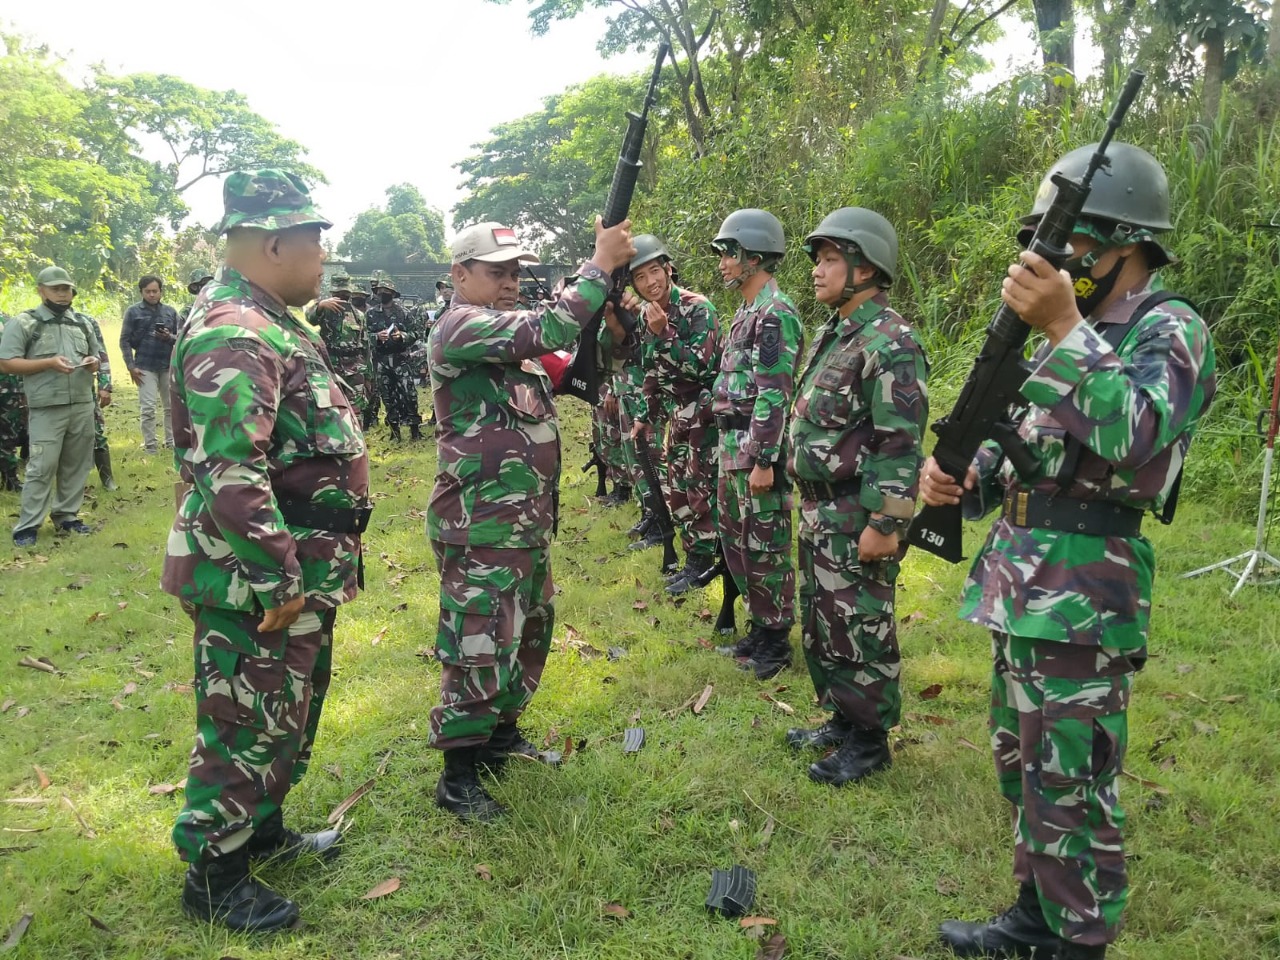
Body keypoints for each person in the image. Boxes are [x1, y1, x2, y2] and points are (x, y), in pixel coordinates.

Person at [921, 144, 1216, 960]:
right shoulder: (1065, 328)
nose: (1058, 259)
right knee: (1024, 767)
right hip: (1020, 581)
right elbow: (1028, 441)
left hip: (1087, 593)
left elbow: (1138, 440)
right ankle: (1035, 914)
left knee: (1074, 780)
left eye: (1075, 242)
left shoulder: (1169, 327)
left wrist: (1063, 327)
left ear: (1125, 241)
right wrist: (958, 476)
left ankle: (1078, 939)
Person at [162, 169, 371, 932]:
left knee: (285, 712)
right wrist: (277, 574)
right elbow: (230, 469)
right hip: (256, 577)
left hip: (297, 567)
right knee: (245, 718)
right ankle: (215, 875)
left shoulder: (273, 320)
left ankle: (262, 829)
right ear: (276, 241)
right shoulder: (236, 329)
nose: (323, 257)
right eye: (317, 241)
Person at [427, 218, 634, 822]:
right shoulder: (460, 326)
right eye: (497, 271)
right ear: (460, 275)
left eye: (517, 271)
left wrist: (613, 305)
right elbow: (550, 324)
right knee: (480, 636)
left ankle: (498, 735)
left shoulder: (516, 341)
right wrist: (596, 266)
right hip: (480, 520)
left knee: (531, 626)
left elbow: (583, 366)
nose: (511, 281)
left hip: (524, 522)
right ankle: (458, 774)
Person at [783, 208, 928, 786]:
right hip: (820, 507)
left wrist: (886, 524)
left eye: (830, 259)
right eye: (818, 260)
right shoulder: (835, 334)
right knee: (824, 621)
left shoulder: (890, 342)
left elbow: (900, 441)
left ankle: (870, 741)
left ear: (865, 266)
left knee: (862, 623)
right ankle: (843, 717)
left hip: (855, 511)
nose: (818, 271)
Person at [708, 209, 804, 679]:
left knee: (766, 545)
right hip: (733, 446)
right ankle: (759, 626)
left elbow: (774, 392)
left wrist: (764, 458)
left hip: (756, 449)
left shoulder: (774, 314)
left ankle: (774, 640)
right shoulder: (745, 312)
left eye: (730, 253)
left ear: (756, 257)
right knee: (738, 541)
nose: (723, 262)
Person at [627, 235, 723, 594]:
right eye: (640, 277)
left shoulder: (699, 308)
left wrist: (663, 331)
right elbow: (649, 369)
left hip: (702, 412)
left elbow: (702, 365)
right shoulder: (644, 314)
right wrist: (643, 415)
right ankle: (693, 557)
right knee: (678, 487)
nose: (650, 282)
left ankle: (702, 561)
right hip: (673, 414)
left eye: (655, 271)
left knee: (700, 486)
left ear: (668, 269)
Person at [0, 266, 107, 546]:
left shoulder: (83, 322)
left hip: (82, 404)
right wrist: (47, 363)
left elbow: (94, 355)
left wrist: (92, 362)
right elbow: (6, 361)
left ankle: (67, 517)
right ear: (41, 290)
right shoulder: (26, 323)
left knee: (76, 465)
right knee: (41, 466)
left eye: (66, 289)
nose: (62, 294)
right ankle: (28, 525)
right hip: (47, 407)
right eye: (56, 288)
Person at [120, 274, 179, 454]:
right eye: (148, 291)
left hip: (167, 365)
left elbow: (181, 339)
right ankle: (150, 446)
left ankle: (171, 443)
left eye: (155, 291)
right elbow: (124, 341)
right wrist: (131, 366)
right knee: (148, 408)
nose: (152, 295)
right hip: (144, 365)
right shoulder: (133, 312)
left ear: (161, 292)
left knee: (171, 407)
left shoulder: (170, 312)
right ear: (141, 292)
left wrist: (169, 337)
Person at [305, 275, 373, 424]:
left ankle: (356, 439)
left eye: (344, 294)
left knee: (356, 409)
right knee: (332, 405)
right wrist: (321, 305)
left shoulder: (358, 315)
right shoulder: (324, 309)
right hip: (331, 366)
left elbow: (366, 345)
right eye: (337, 294)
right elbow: (309, 317)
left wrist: (368, 375)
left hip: (355, 368)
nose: (341, 297)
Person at [366, 276, 424, 440]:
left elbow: (415, 334)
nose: (382, 293)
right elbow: (365, 336)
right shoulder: (371, 314)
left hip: (401, 359)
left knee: (409, 394)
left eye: (386, 291)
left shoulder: (404, 313)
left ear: (392, 293)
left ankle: (414, 430)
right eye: (380, 291)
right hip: (382, 361)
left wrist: (402, 336)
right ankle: (394, 432)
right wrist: (376, 336)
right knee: (387, 396)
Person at [83, 312, 118, 492]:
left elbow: (101, 354)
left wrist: (105, 385)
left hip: (84, 392)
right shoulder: (37, 322)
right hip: (54, 395)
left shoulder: (85, 320)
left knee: (97, 434)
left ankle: (107, 479)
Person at [0, 312, 27, 492]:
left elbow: (22, 354)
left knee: (8, 435)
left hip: (9, 387)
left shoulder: (10, 321)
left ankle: (11, 479)